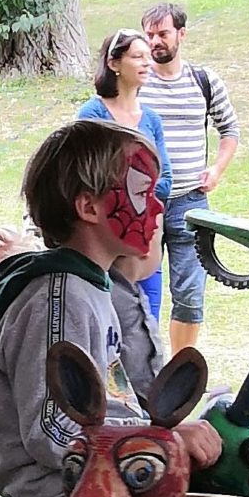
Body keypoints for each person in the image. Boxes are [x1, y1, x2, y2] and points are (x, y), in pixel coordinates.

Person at [0, 119, 220, 497]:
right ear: (89, 207)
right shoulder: (61, 297)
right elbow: (53, 430)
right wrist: (157, 442)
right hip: (64, 495)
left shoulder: (90, 289)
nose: (159, 208)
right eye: (143, 194)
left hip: (93, 481)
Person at [137, 1, 240, 356]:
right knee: (139, 287)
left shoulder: (204, 81)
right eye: (149, 35)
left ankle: (179, 370)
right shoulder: (136, 83)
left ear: (181, 34)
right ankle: (143, 364)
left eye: (163, 34)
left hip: (189, 200)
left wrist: (217, 169)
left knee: (190, 292)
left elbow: (230, 130)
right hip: (142, 202)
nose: (155, 42)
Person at [77, 28, 173, 321]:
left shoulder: (152, 119)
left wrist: (137, 197)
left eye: (148, 57)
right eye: (137, 56)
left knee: (148, 320)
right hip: (104, 239)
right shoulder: (93, 114)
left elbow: (166, 179)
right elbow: (85, 175)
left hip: (146, 236)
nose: (146, 63)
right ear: (114, 63)